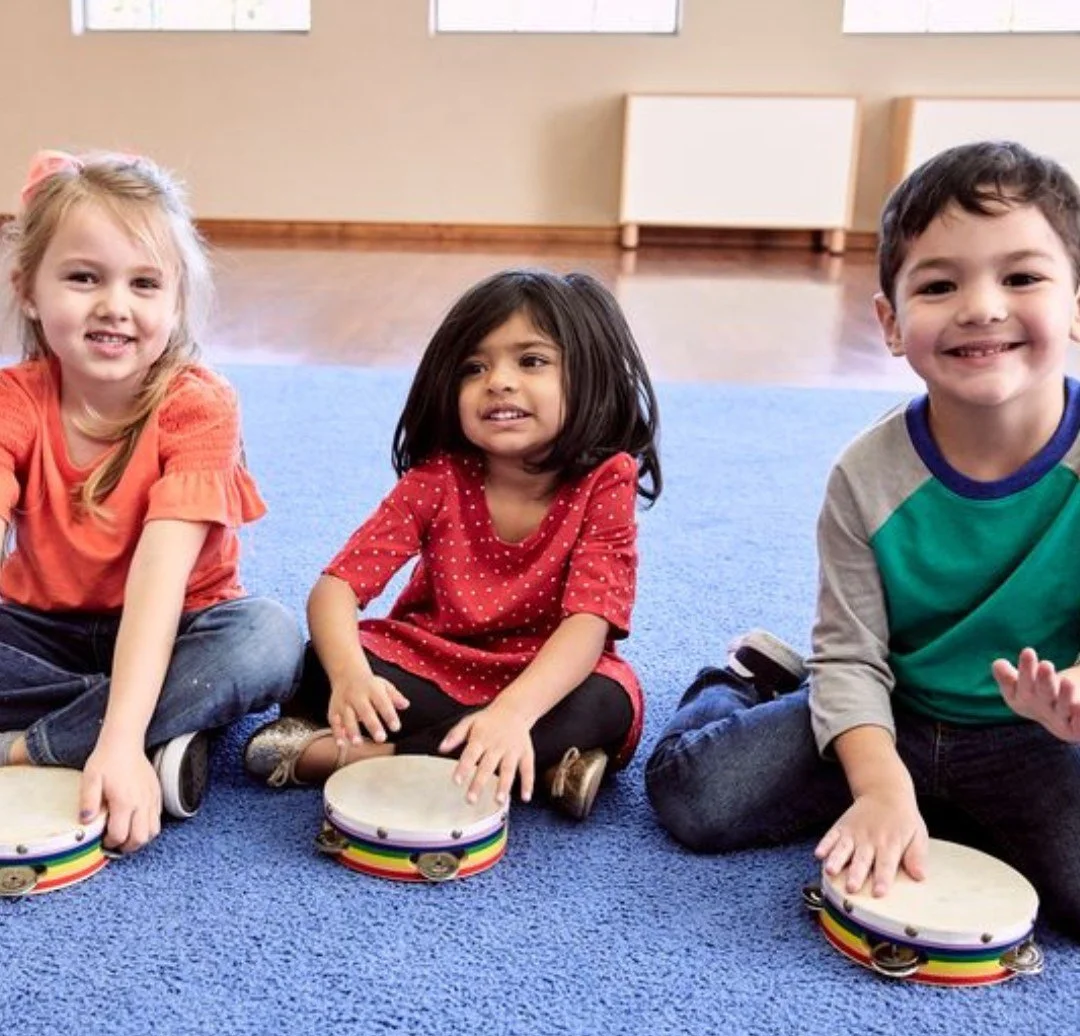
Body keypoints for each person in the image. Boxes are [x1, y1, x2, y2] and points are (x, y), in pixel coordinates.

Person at [645, 140, 1080, 935]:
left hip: (1033, 739)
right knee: (694, 797)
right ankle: (740, 683)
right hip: (891, 711)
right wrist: (879, 784)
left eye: (1021, 277)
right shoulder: (866, 475)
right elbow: (851, 657)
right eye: (939, 285)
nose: (982, 307)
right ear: (890, 322)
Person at [245, 268, 661, 819]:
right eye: (474, 368)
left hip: (542, 672)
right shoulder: (438, 478)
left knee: (608, 701)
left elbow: (590, 623)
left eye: (531, 361)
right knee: (319, 662)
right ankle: (541, 768)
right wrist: (350, 677)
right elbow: (335, 589)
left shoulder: (607, 480)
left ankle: (370, 759)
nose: (499, 381)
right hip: (431, 660)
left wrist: (512, 713)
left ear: (592, 375)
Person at [0, 150, 304, 852]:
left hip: (182, 626)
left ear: (176, 301)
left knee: (269, 641)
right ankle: (160, 729)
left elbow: (160, 581)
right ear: (28, 290)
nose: (115, 306)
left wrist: (117, 741)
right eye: (83, 278)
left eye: (144, 284)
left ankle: (31, 748)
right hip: (43, 631)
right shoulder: (14, 400)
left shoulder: (199, 405)